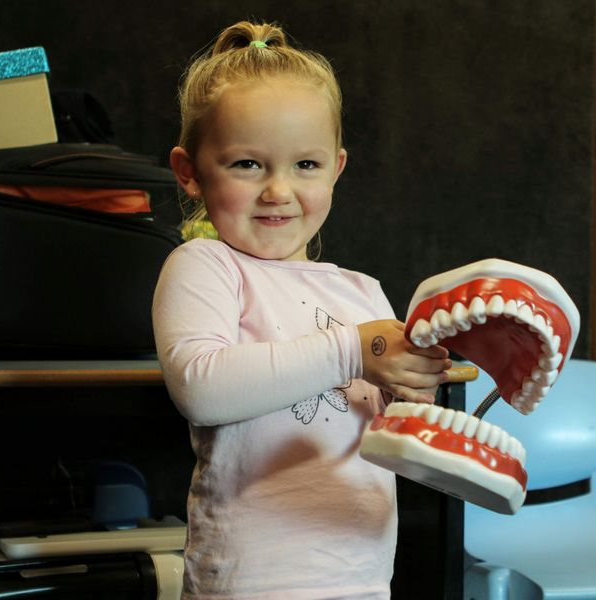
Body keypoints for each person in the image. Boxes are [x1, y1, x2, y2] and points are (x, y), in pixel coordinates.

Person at [152, 20, 451, 599]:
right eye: (247, 164)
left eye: (305, 166)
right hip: (252, 583)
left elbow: (384, 436)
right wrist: (354, 350)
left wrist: (414, 395)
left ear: (336, 169)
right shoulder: (206, 266)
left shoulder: (363, 294)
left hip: (360, 576)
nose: (278, 191)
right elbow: (200, 389)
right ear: (189, 172)